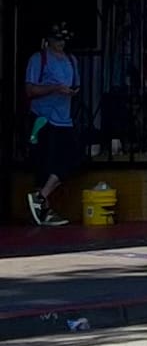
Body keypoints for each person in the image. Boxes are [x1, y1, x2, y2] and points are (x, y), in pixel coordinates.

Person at [26, 23, 80, 226]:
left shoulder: (71, 61)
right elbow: (30, 90)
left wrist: (71, 91)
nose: (61, 44)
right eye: (57, 39)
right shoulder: (38, 59)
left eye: (64, 40)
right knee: (44, 163)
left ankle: (41, 198)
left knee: (72, 158)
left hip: (64, 119)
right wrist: (55, 88)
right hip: (43, 118)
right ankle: (43, 209)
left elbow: (75, 84)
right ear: (48, 40)